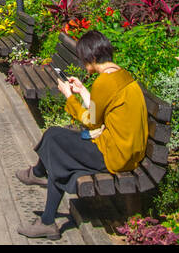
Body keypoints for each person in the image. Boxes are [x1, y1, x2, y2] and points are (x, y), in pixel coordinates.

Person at [15, 30, 149, 240]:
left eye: (84, 58)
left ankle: (41, 182)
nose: (82, 62)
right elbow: (102, 110)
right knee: (56, 142)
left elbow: (91, 120)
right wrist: (84, 91)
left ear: (93, 58)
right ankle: (43, 199)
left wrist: (69, 97)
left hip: (114, 155)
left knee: (55, 142)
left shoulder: (104, 82)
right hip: (126, 150)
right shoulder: (121, 75)